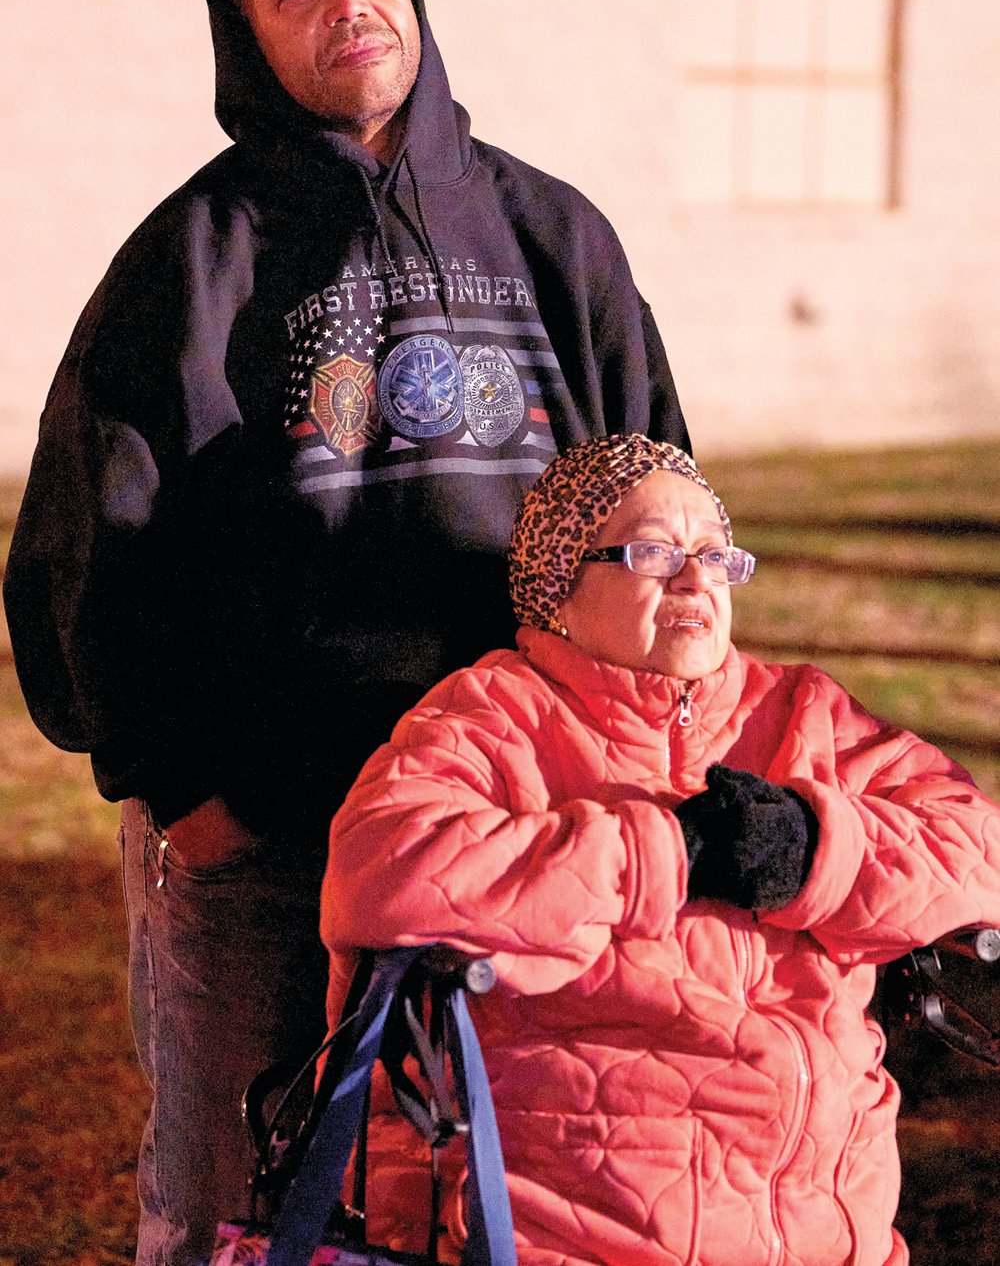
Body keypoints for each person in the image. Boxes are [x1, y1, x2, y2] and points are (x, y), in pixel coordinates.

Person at [2, 0, 688, 1266]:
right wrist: (187, 795)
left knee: (512, 1196)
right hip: (266, 841)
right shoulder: (194, 258)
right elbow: (88, 551)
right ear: (245, 38)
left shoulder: (555, 234)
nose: (346, 3)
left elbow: (664, 497)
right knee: (234, 1209)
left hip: (518, 826)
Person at [322, 432, 1000, 1266]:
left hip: (823, 1226)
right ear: (559, 589)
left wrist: (816, 847)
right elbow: (384, 870)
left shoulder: (800, 713)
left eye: (717, 556)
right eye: (653, 552)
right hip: (560, 1223)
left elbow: (979, 846)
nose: (693, 577)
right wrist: (661, 854)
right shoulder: (494, 716)